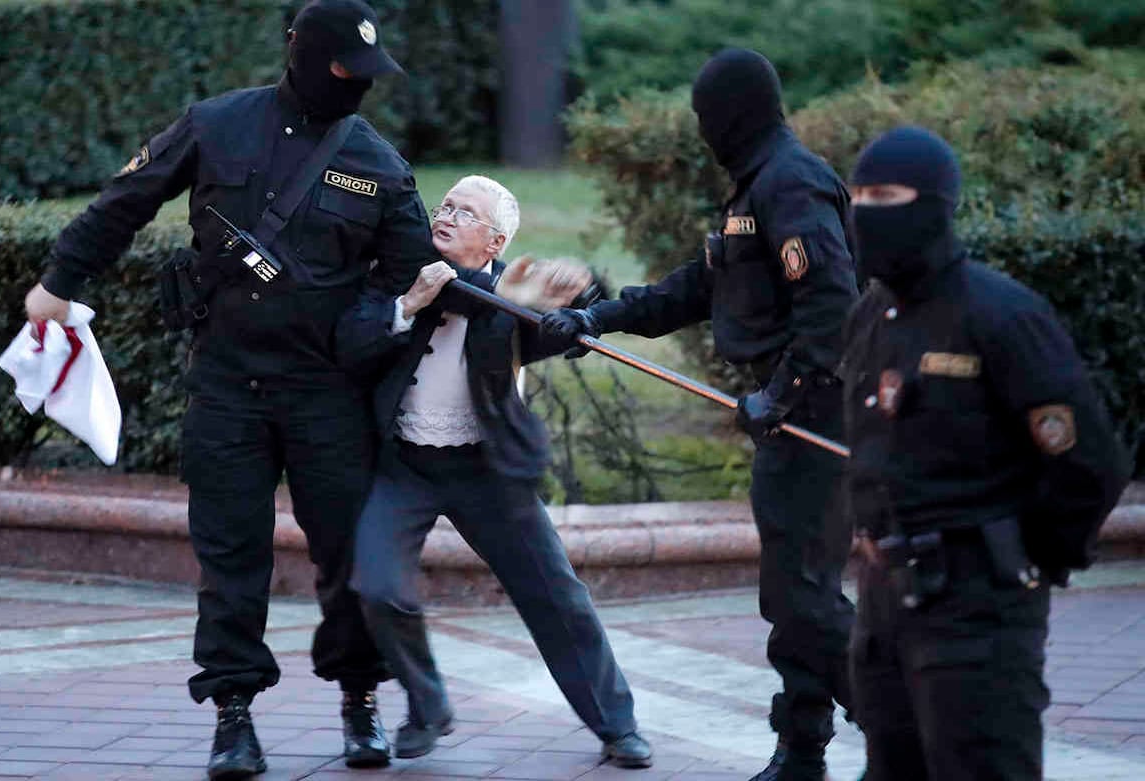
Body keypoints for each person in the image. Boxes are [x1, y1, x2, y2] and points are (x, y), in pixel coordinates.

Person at [21, 2, 558, 777]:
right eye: (347, 71)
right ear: (303, 55)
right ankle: (233, 716)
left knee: (343, 558)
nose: (358, 88)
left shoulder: (377, 164)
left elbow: (432, 281)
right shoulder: (216, 125)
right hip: (226, 385)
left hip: (326, 394)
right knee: (231, 555)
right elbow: (124, 202)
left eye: (369, 77)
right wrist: (58, 281)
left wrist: (542, 304)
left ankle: (359, 699)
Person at [543, 49, 857, 780]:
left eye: (705, 117)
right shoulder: (754, 190)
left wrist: (782, 395)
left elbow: (832, 305)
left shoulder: (792, 181)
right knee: (790, 593)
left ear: (734, 114)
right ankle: (802, 749)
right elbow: (696, 287)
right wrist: (597, 314)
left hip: (817, 412)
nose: (702, 132)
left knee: (805, 595)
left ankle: (902, 730)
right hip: (788, 415)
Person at [840, 126, 1131, 781]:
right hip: (884, 605)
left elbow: (1091, 463)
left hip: (977, 615)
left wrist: (1023, 558)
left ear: (934, 206)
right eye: (858, 196)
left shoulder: (1000, 315)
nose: (865, 213)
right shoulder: (869, 316)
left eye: (885, 195)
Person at [345, 175, 654, 768]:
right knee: (379, 587)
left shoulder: (509, 293)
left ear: (493, 242)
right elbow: (350, 344)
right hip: (402, 462)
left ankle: (617, 725)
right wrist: (409, 304)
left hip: (485, 468)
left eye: (466, 214)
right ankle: (428, 704)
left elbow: (571, 314)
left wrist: (576, 295)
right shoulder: (398, 272)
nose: (448, 216)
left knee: (558, 597)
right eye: (446, 206)